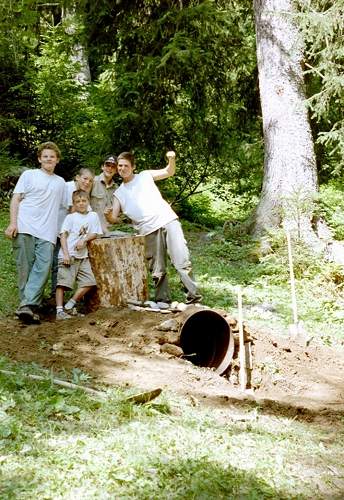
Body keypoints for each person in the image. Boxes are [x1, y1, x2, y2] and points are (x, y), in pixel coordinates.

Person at [105, 150, 201, 304]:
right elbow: (114, 218)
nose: (122, 169)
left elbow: (169, 171)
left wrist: (171, 159)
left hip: (167, 220)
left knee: (182, 260)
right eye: (120, 166)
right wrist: (109, 216)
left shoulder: (145, 175)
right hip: (148, 230)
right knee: (157, 269)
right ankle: (163, 300)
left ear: (133, 167)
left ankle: (194, 297)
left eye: (126, 165)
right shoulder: (119, 193)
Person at [4, 141, 66, 324]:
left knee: (43, 268)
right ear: (39, 159)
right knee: (25, 268)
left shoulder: (61, 182)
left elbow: (66, 208)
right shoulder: (29, 175)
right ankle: (28, 306)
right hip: (25, 227)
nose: (48, 159)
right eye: (45, 156)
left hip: (48, 233)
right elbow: (16, 200)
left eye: (52, 157)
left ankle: (26, 306)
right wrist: (12, 223)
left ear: (57, 160)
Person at [55, 189, 103, 320]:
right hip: (69, 254)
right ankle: (59, 311)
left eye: (84, 201)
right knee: (63, 283)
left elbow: (95, 233)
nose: (81, 204)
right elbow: (63, 236)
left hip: (83, 256)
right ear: (74, 204)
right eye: (78, 201)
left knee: (90, 281)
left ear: (88, 201)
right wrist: (65, 254)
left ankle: (70, 305)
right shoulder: (70, 218)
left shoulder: (93, 216)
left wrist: (84, 240)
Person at [51, 168, 95, 296]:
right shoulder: (67, 187)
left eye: (90, 181)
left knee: (67, 265)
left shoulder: (83, 193)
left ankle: (62, 295)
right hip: (59, 231)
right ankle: (55, 296)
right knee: (58, 265)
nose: (87, 182)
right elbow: (72, 211)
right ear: (77, 177)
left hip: (72, 237)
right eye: (85, 178)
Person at [90, 155, 118, 234]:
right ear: (102, 166)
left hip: (110, 232)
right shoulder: (92, 181)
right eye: (107, 165)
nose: (110, 168)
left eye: (113, 167)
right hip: (92, 231)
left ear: (116, 170)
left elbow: (119, 216)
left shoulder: (117, 190)